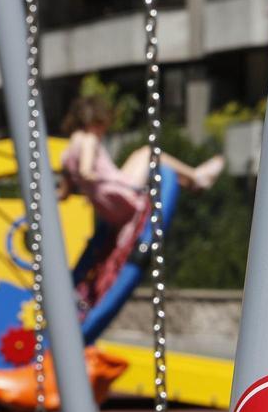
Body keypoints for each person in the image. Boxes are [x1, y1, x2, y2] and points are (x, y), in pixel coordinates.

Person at [57, 94, 225, 315]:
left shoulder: (66, 153)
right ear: (93, 122)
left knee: (142, 156)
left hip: (110, 211)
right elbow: (87, 170)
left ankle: (193, 179)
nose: (103, 131)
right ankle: (195, 177)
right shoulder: (88, 140)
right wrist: (93, 175)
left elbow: (64, 193)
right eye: (102, 125)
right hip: (123, 199)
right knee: (148, 153)